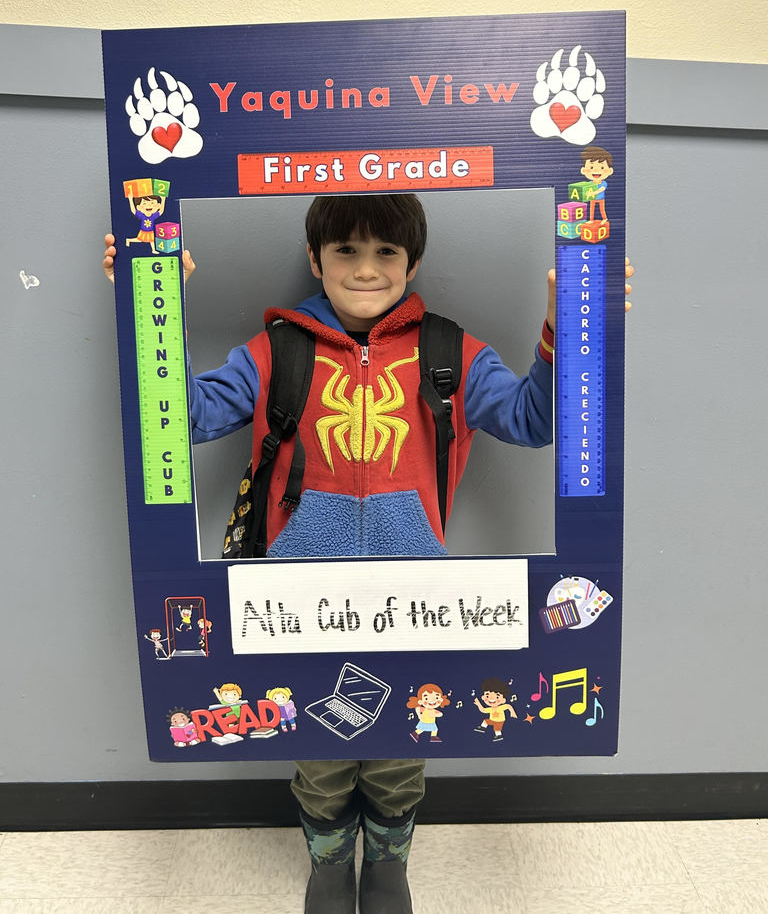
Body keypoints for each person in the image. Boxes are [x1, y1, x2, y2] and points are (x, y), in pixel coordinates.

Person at [104, 194, 633, 914]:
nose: (365, 268)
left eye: (386, 251)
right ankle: (327, 862)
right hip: (296, 606)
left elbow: (534, 419)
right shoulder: (276, 350)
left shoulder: (450, 351)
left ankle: (387, 862)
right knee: (320, 754)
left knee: (399, 754)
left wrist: (571, 322)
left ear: (413, 262)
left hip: (415, 603)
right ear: (316, 258)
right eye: (346, 251)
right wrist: (151, 310)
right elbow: (185, 417)